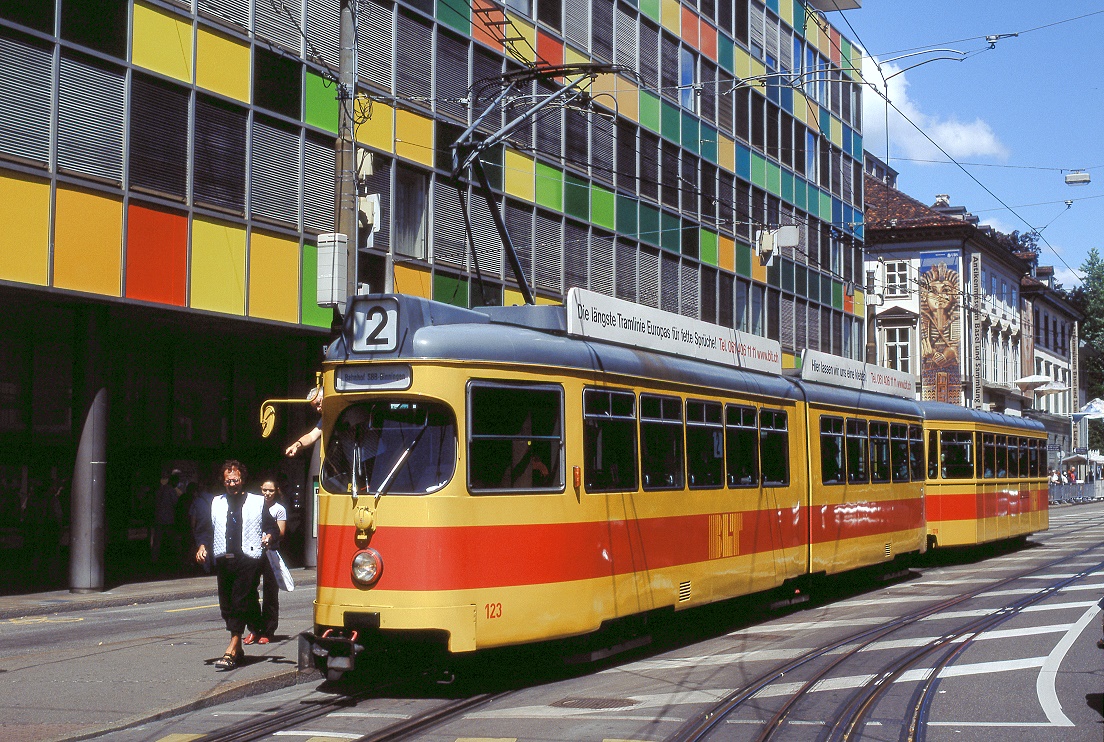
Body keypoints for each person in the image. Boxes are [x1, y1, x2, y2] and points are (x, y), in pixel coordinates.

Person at [194, 461, 279, 671]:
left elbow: (272, 527)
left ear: (242, 480)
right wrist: (202, 546)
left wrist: (269, 536)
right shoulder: (216, 503)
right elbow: (205, 529)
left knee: (239, 599)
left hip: (249, 558)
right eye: (228, 481)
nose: (232, 484)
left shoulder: (257, 502)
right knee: (226, 604)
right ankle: (240, 647)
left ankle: (232, 647)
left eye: (236, 480)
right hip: (224, 559)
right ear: (223, 482)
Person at [249, 478, 288, 645]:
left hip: (271, 553)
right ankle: (254, 629)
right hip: (254, 552)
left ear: (276, 491)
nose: (267, 493)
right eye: (265, 490)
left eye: (271, 490)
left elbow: (281, 532)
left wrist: (269, 537)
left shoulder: (279, 509)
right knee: (249, 589)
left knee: (270, 592)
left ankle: (268, 630)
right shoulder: (255, 506)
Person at [152, 470, 181, 567]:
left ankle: (155, 559)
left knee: (158, 540)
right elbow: (176, 504)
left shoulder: (161, 489)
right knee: (170, 540)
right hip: (168, 519)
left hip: (159, 518)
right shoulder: (171, 490)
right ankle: (171, 560)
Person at [286, 386, 323, 457]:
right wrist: (297, 444)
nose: (318, 409)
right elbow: (311, 436)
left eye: (318, 403)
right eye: (315, 407)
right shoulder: (325, 419)